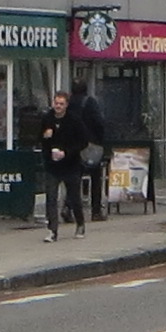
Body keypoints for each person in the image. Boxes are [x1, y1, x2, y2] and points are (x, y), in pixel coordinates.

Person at [38, 89, 108, 239]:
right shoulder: (47, 118)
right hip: (52, 165)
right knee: (51, 197)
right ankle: (52, 230)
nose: (58, 106)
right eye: (56, 103)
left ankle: (80, 223)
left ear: (66, 105)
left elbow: (83, 142)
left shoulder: (74, 120)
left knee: (74, 197)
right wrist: (46, 139)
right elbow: (40, 138)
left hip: (70, 165)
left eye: (61, 104)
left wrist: (67, 152)